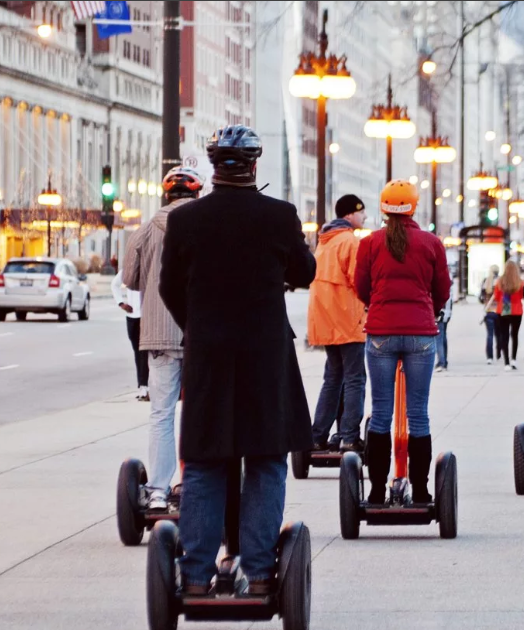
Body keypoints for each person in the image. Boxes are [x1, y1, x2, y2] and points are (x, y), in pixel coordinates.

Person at [159, 125, 315, 596]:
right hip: (266, 358)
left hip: (210, 357)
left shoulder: (185, 221)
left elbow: (169, 287)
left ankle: (196, 575)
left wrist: (200, 327)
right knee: (267, 459)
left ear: (213, 166)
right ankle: (262, 572)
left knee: (206, 461)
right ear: (253, 165)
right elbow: (305, 272)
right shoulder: (279, 216)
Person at [355, 179, 452, 505]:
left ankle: (377, 491)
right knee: (419, 415)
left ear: (383, 207)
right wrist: (431, 309)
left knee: (381, 413)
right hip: (420, 335)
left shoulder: (370, 242)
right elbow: (442, 288)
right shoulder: (430, 243)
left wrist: (378, 305)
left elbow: (361, 286)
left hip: (381, 333)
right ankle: (422, 491)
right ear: (413, 206)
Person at [122, 165, 204, 511]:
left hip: (159, 334)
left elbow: (130, 280)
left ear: (165, 195)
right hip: (201, 334)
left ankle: (157, 490)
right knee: (199, 412)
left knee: (161, 413)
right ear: (196, 195)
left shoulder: (144, 232)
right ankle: (195, 485)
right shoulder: (207, 228)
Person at [307, 194, 368, 453]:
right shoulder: (350, 242)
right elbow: (360, 281)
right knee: (355, 379)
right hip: (348, 320)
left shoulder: (324, 242)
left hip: (326, 321)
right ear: (350, 214)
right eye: (361, 212)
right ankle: (349, 436)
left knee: (332, 378)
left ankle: (318, 434)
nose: (364, 217)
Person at [111, 270, 149, 400]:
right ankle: (142, 387)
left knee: (144, 353)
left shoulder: (149, 266)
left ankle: (145, 387)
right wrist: (121, 303)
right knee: (138, 353)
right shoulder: (128, 268)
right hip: (132, 316)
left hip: (146, 316)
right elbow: (115, 284)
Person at [493, 260, 524, 370]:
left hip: (504, 309)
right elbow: (522, 296)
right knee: (514, 335)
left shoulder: (500, 281)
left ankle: (506, 362)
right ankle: (514, 360)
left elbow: (496, 297)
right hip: (516, 310)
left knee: (504, 336)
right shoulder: (520, 282)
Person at [435, 270, 455, 371]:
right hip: (446, 313)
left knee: (439, 338)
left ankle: (441, 362)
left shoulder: (441, 283)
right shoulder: (449, 282)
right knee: (443, 337)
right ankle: (444, 361)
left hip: (440, 313)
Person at [481, 264, 500, 364]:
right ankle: (499, 353)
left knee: (489, 335)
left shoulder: (485, 282)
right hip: (499, 311)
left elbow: (480, 298)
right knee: (499, 334)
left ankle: (489, 357)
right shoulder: (500, 282)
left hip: (488, 311)